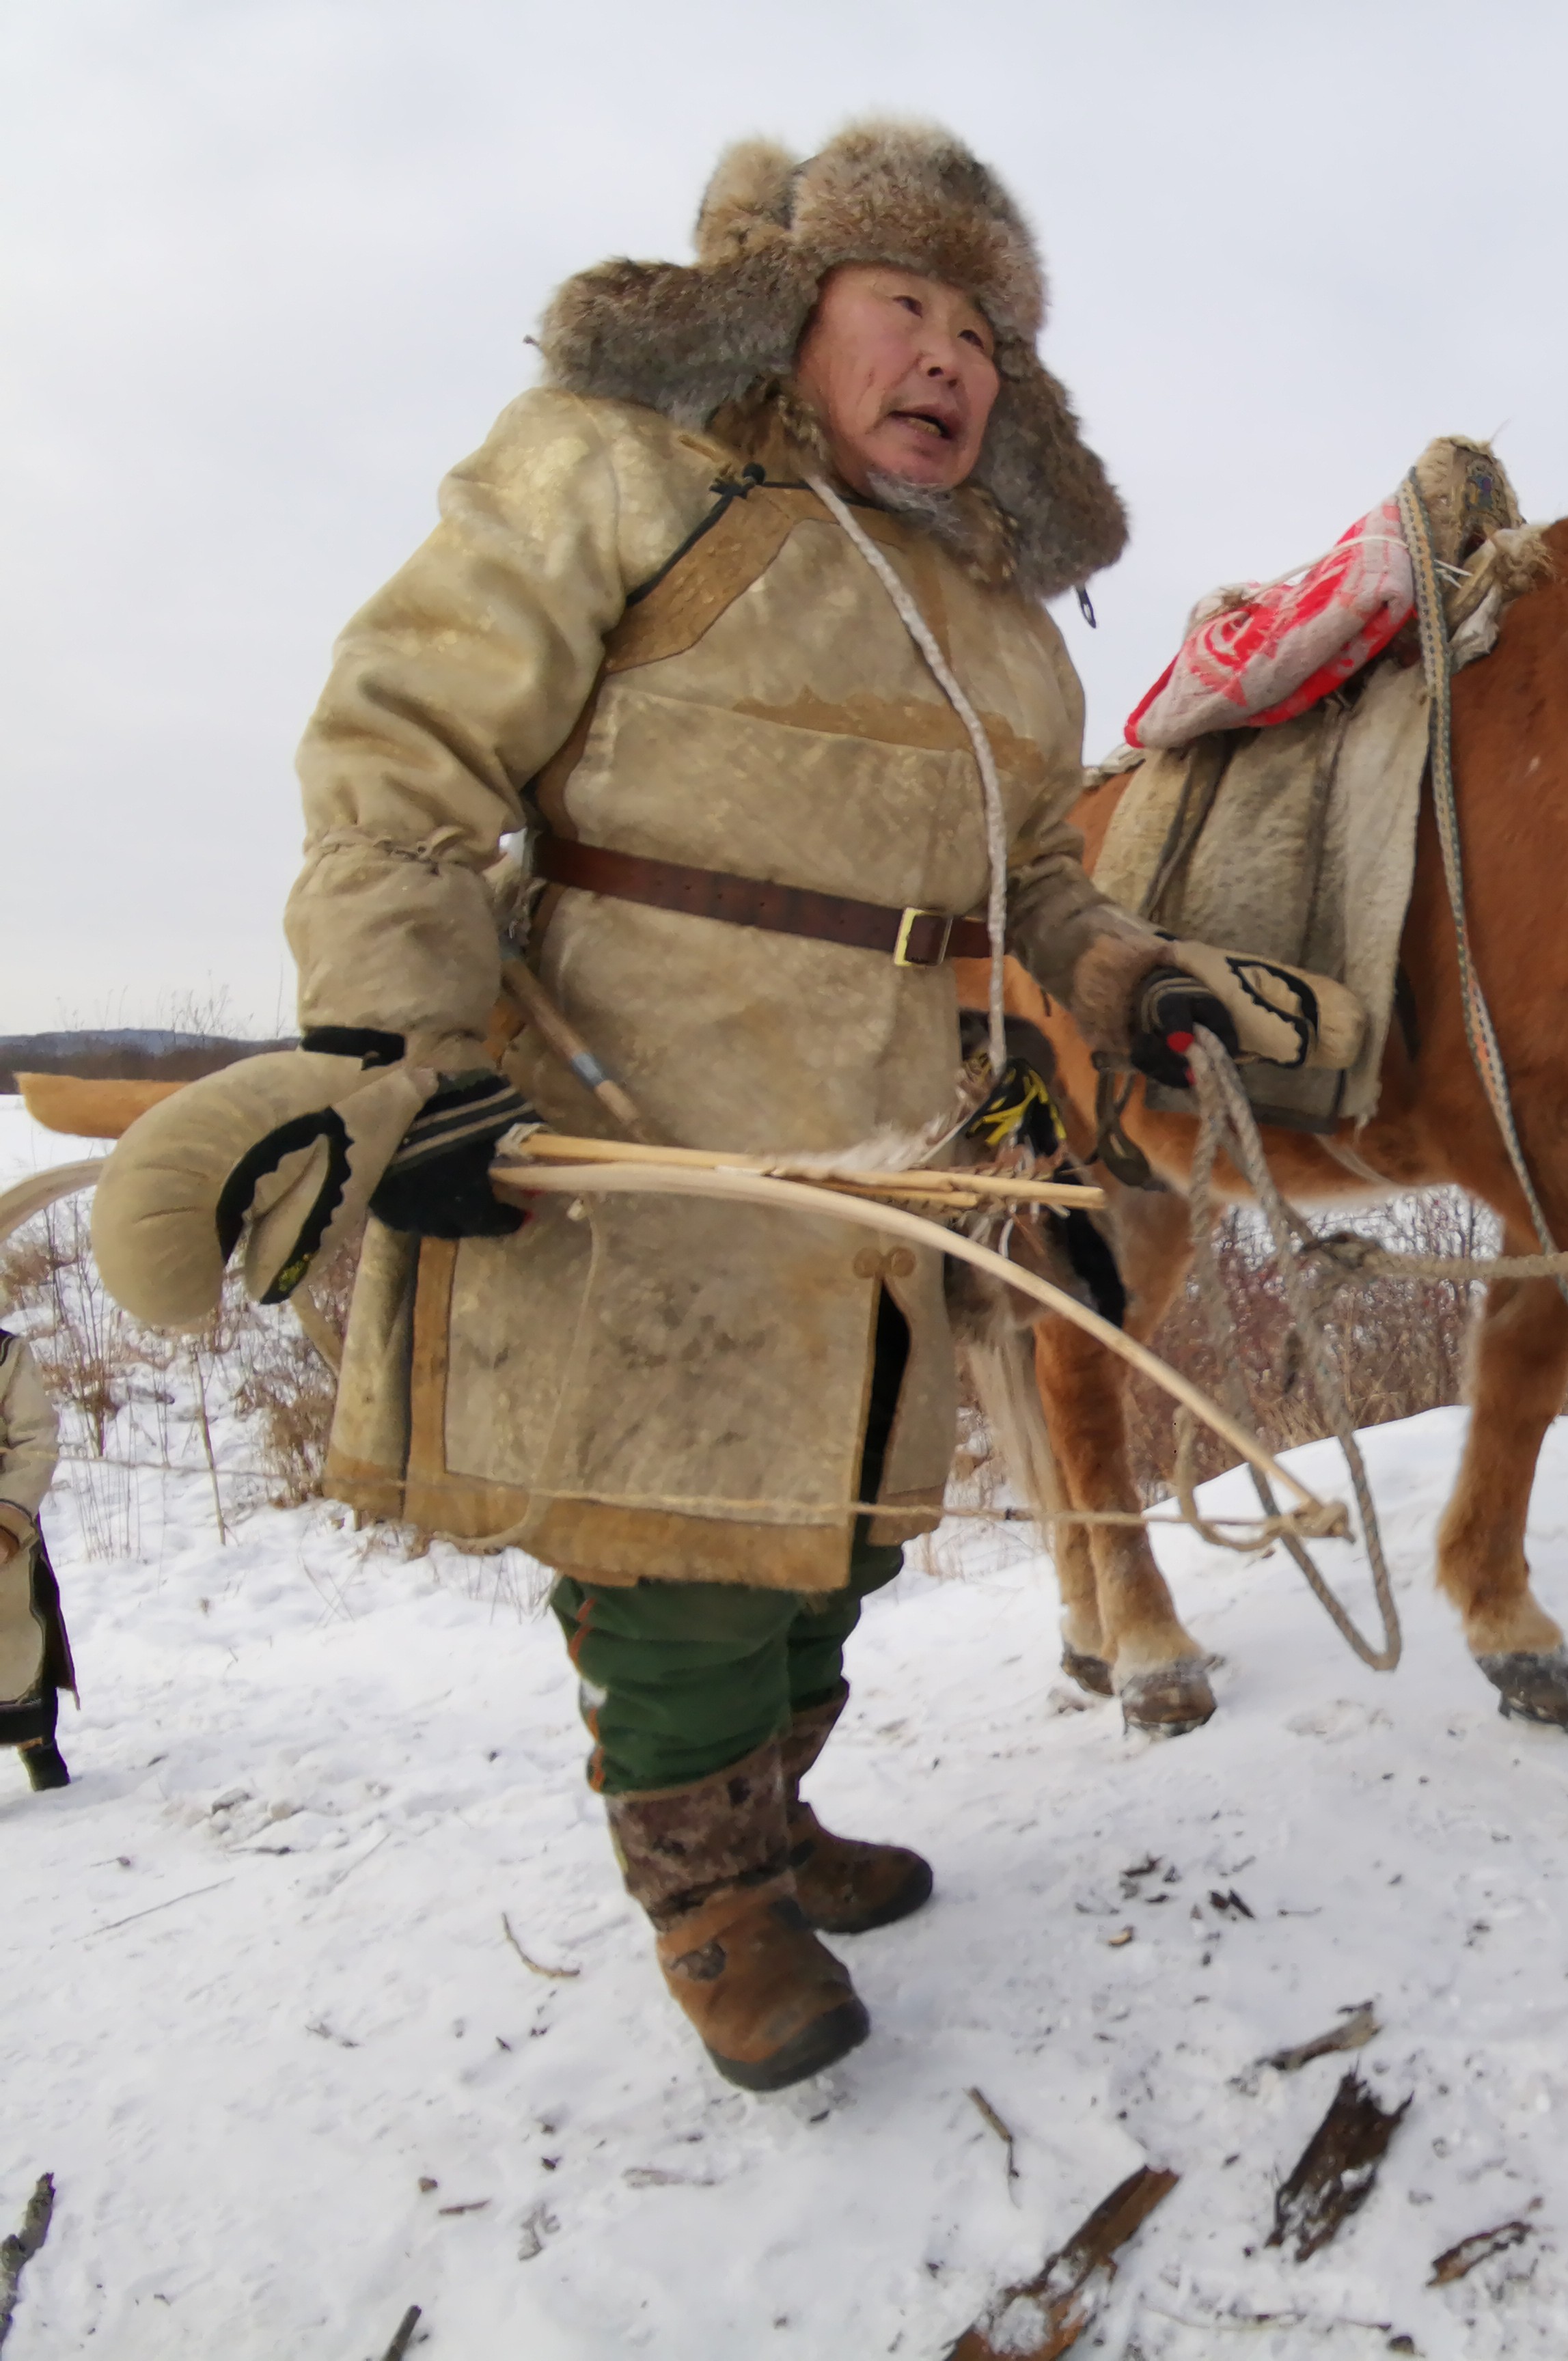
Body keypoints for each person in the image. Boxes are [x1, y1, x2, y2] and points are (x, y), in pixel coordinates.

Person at [281, 120, 1304, 2090]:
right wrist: (399, 1047)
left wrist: (1126, 979)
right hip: (646, 1090)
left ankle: (768, 1813)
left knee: (845, 1529)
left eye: (988, 333)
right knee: (681, 1543)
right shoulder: (620, 471)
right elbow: (407, 729)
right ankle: (708, 1901)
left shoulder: (997, 612)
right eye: (907, 304)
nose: (953, 356)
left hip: (897, 1133)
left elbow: (1041, 866)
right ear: (790, 311)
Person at [0, 1321, 69, 1791]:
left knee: (16, 1638)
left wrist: (6, 1523)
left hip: (5, 1525)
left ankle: (40, 1753)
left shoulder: (6, 1355)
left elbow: (35, 1442)